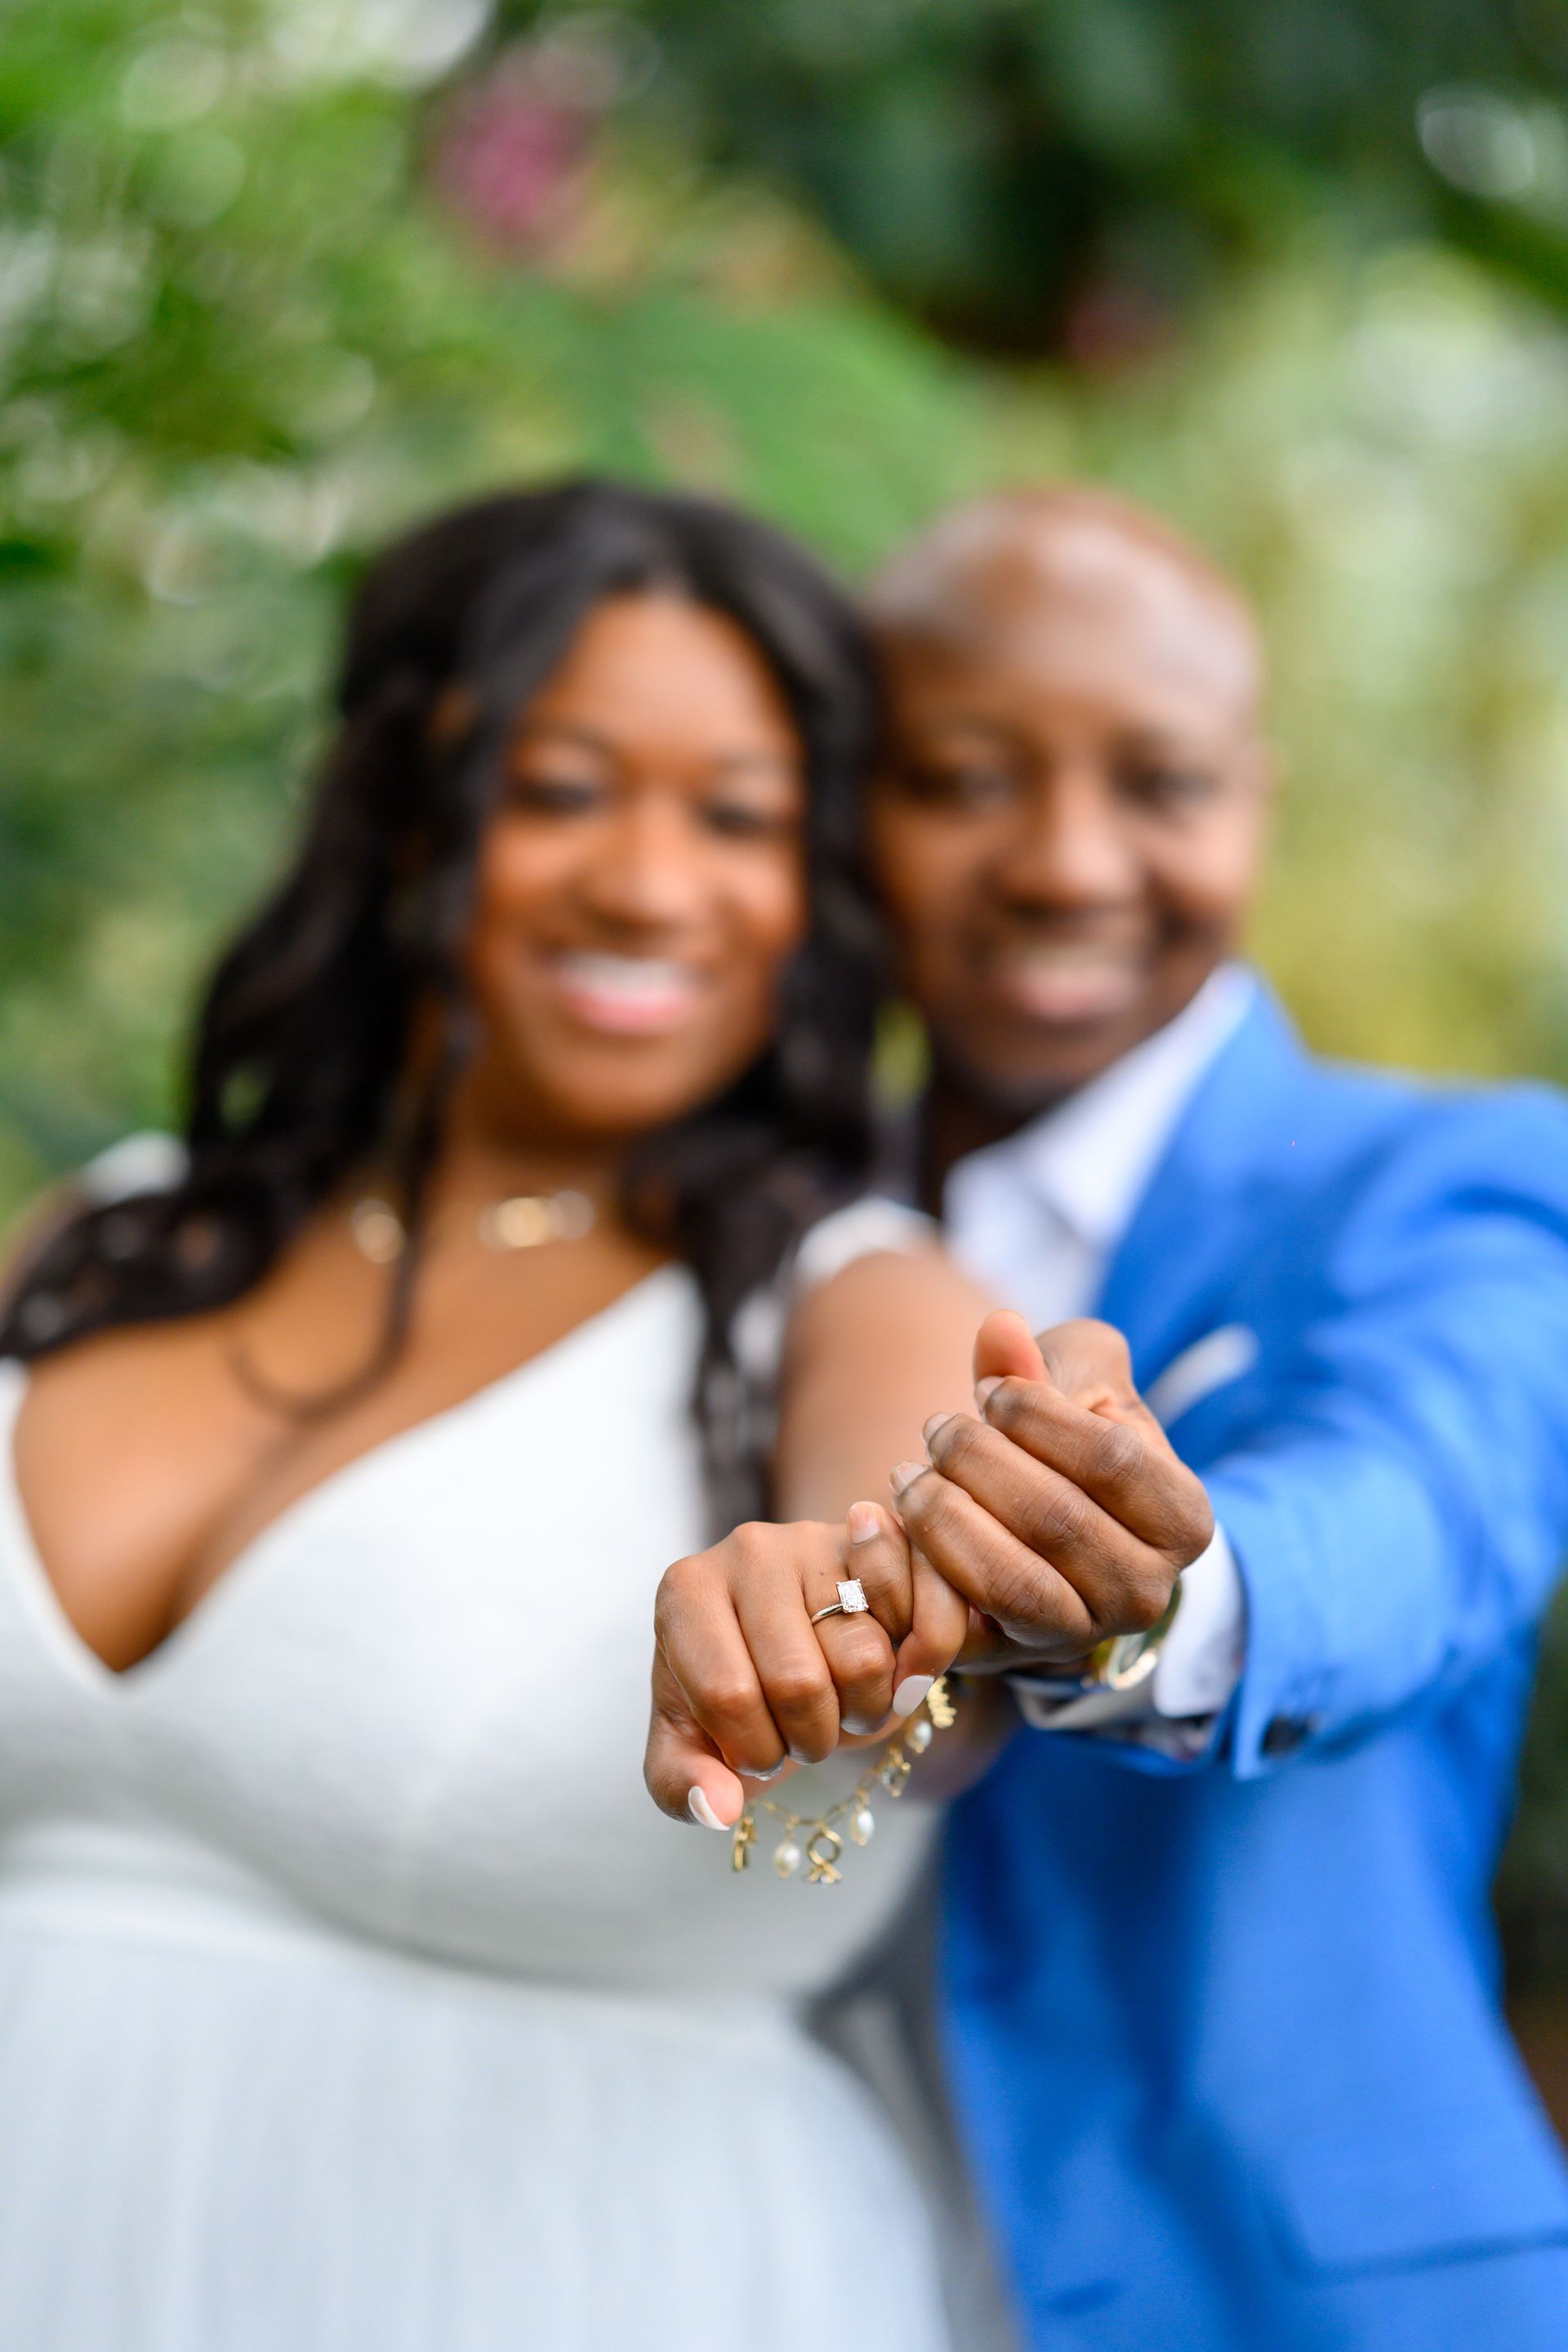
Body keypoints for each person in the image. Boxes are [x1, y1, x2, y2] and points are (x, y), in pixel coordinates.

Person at [0, 479, 1018, 2352]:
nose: (645, 882)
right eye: (561, 790)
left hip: (566, 2277)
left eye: (739, 818)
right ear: (401, 815)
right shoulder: (103, 1244)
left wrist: (871, 1593)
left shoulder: (853, 1305)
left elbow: (929, 1540)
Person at [648, 488, 1568, 2350]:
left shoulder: (1456, 1182)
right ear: (846, 820)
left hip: (1266, 2291)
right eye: (969, 780)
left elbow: (1426, 1508)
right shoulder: (737, 1224)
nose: (1071, 863)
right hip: (769, 2255)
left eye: (1161, 784)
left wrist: (1166, 1591)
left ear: (1257, 797)